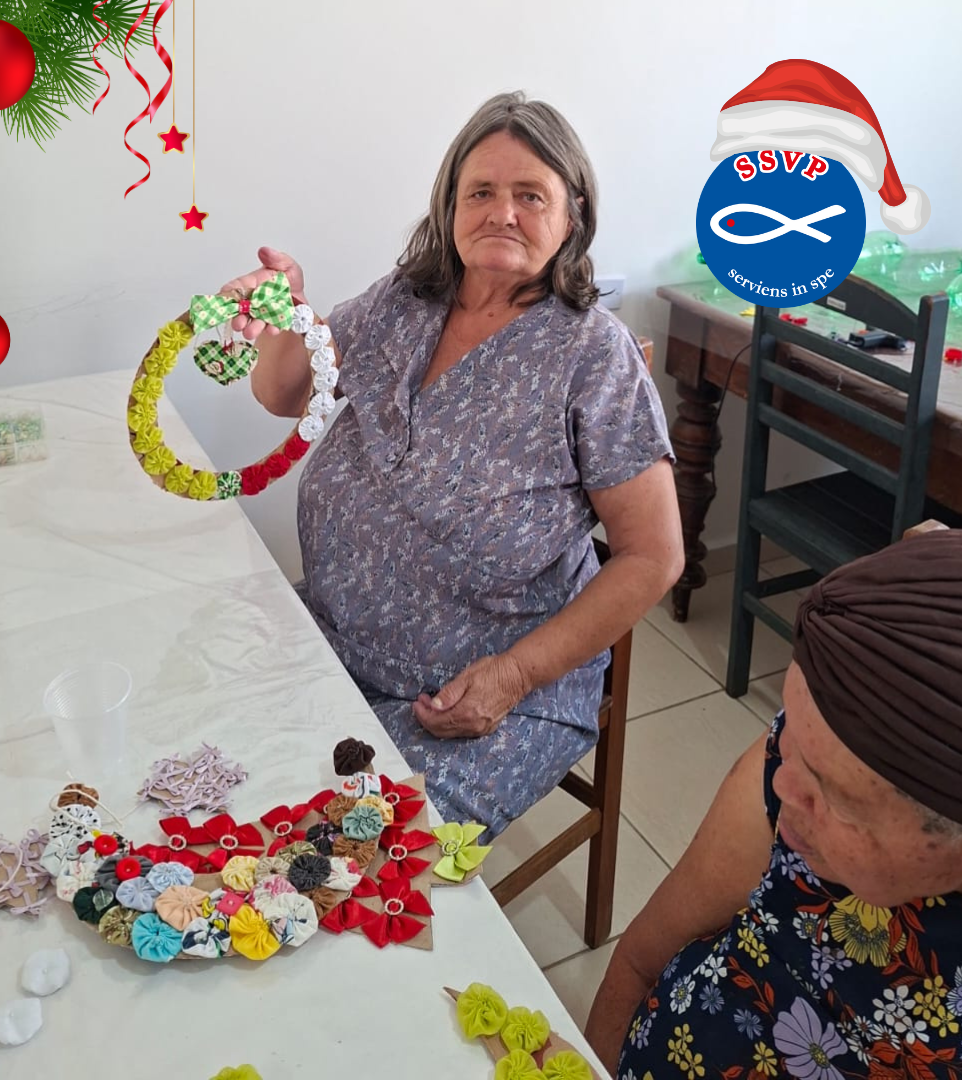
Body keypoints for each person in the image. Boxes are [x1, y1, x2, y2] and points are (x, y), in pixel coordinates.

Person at [221, 92, 683, 837]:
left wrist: (514, 675)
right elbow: (285, 393)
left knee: (345, 861)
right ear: (451, 205)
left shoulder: (594, 357)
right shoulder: (403, 300)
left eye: (530, 195)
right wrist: (289, 313)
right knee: (211, 784)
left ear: (573, 213)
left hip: (483, 692)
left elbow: (654, 556)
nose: (503, 213)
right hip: (332, 636)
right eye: (481, 193)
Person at [586, 527, 962, 1078]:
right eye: (788, 737)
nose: (782, 785)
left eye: (833, 797)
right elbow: (637, 963)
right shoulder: (792, 770)